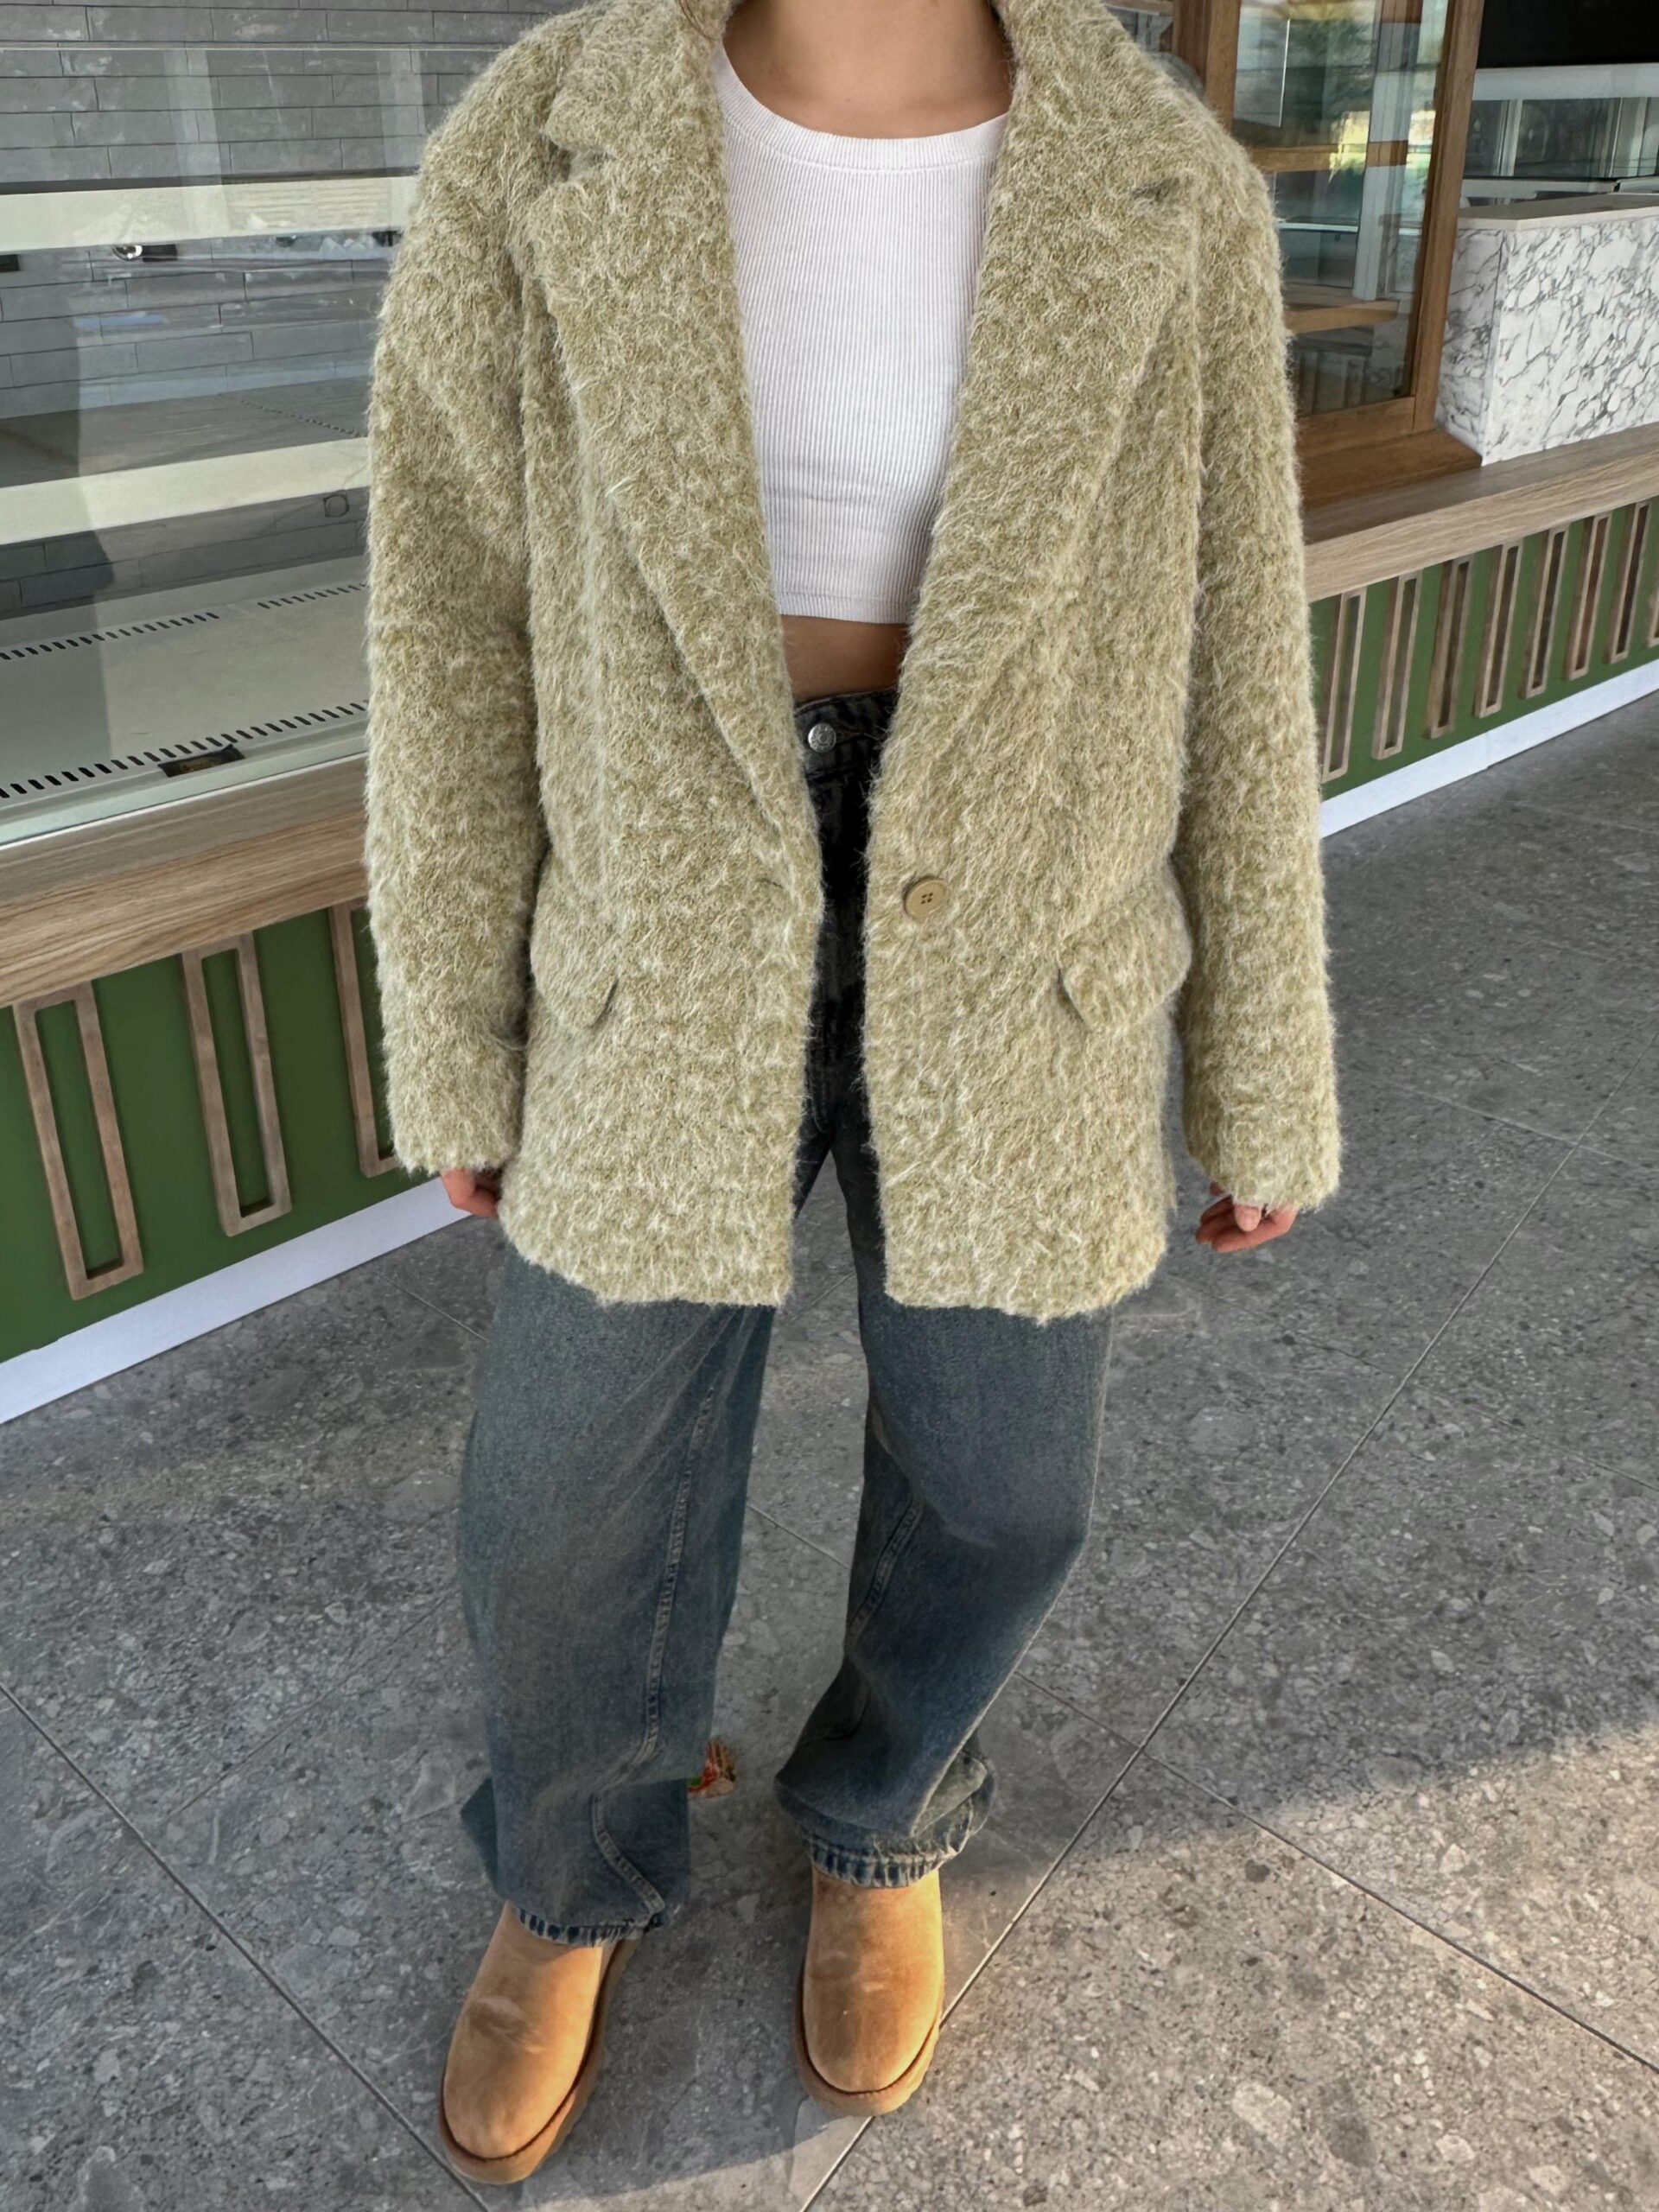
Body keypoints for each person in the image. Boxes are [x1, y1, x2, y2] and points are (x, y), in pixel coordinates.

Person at [364, 0, 1340, 2182]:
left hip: (1028, 943)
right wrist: (457, 1026)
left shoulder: (1162, 178)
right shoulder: (544, 136)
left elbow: (1238, 648)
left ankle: (886, 1812)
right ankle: (568, 1868)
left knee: (1003, 1474)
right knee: (560, 1495)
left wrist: (1263, 1061)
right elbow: (446, 630)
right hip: (662, 929)